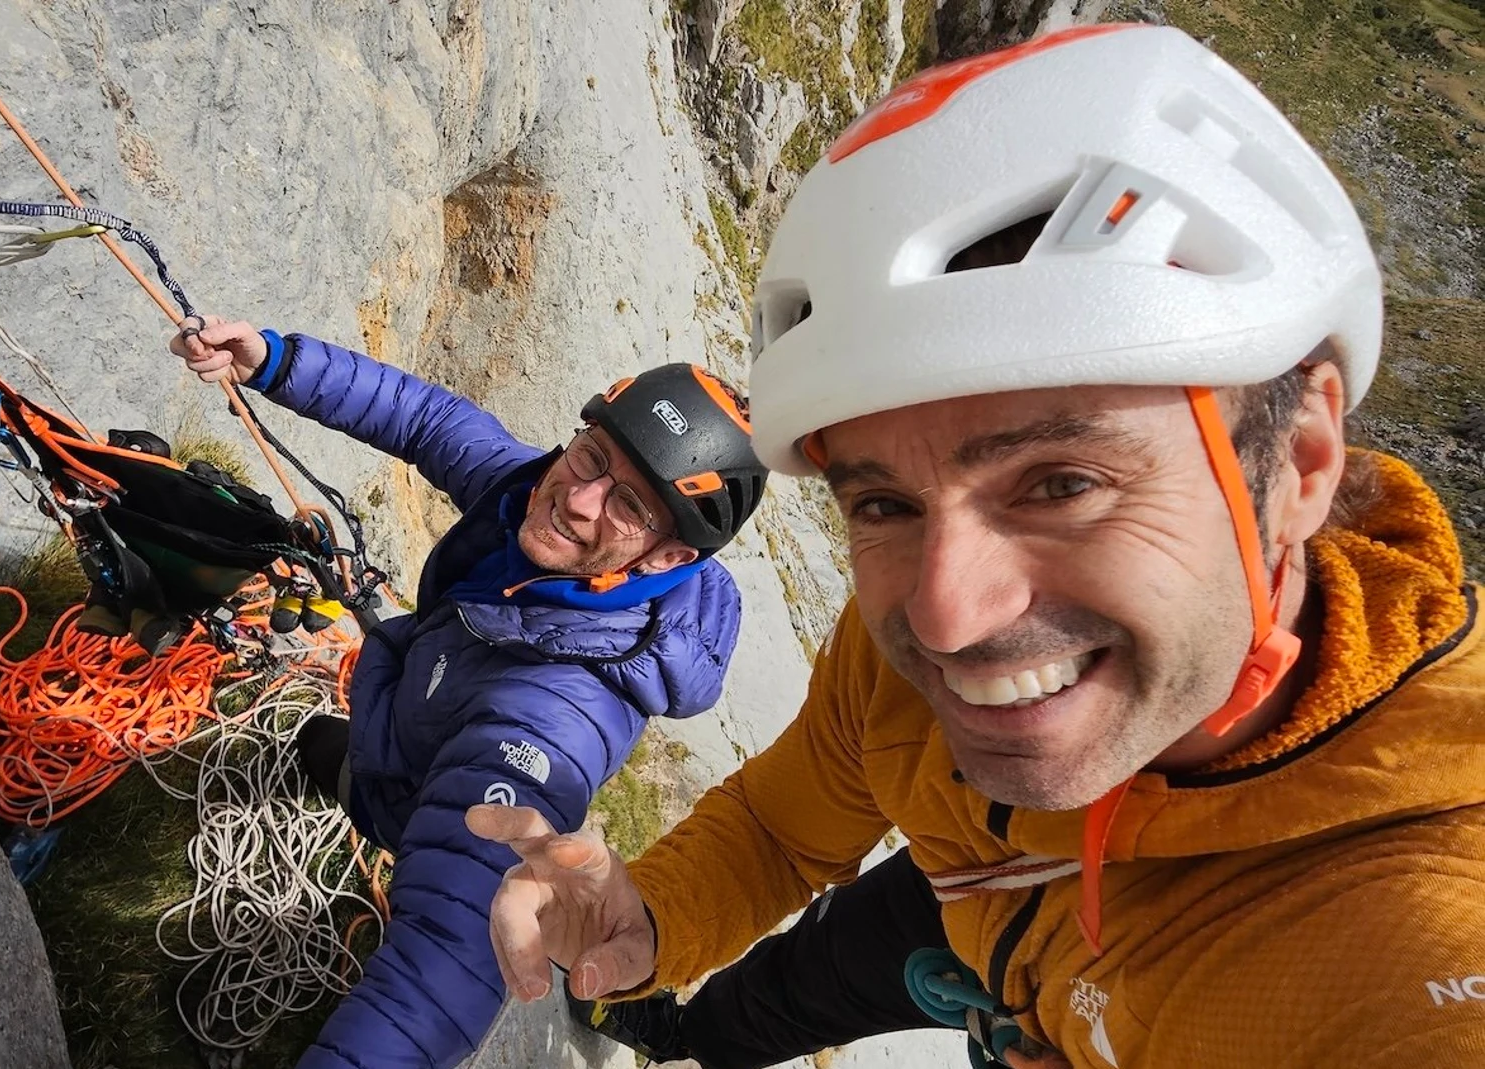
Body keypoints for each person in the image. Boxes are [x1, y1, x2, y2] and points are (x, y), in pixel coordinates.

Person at [469, 22, 1485, 1069]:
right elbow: (784, 827)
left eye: (1062, 482)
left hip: (1011, 903)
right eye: (883, 504)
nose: (947, 615)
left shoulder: (1415, 927)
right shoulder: (913, 665)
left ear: (1303, 462)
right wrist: (653, 916)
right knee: (779, 999)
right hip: (991, 898)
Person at [168, 316, 767, 1069]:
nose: (581, 500)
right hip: (405, 725)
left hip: (423, 781)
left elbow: (447, 964)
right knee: (317, 744)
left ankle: (379, 817)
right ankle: (356, 781)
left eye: (631, 508)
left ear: (668, 555)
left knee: (404, 852)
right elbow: (428, 418)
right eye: (593, 457)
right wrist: (276, 360)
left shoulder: (556, 718)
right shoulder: (528, 493)